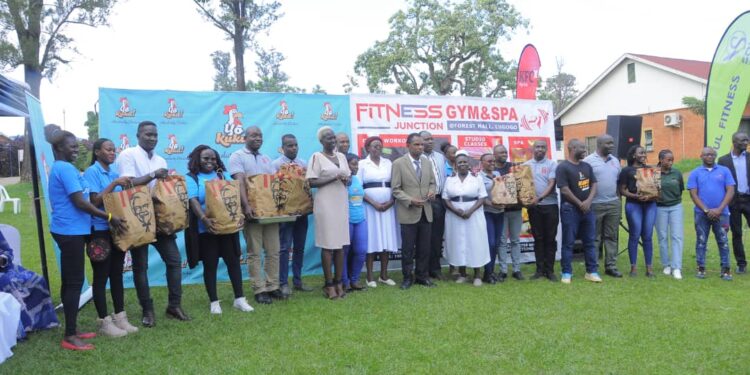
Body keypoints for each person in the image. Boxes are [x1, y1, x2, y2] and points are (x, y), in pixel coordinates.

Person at [47, 125, 126, 350]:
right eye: (72, 147)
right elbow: (81, 202)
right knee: (73, 283)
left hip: (74, 231)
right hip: (69, 231)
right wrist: (109, 216)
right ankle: (70, 336)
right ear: (59, 147)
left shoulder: (67, 167)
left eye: (76, 146)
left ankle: (73, 329)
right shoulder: (65, 168)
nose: (76, 150)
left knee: (71, 282)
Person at [116, 120, 190, 326]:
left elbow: (162, 190)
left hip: (160, 216)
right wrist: (152, 175)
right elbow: (127, 184)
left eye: (156, 135)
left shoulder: (161, 160)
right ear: (138, 135)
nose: (153, 138)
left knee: (174, 260)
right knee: (140, 266)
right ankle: (147, 310)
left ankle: (174, 305)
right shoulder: (128, 154)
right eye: (148, 134)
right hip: (137, 215)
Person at [186, 145, 253, 314]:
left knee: (233, 262)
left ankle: (240, 299)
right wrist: (204, 219)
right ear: (197, 160)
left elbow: (234, 198)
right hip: (207, 230)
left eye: (213, 158)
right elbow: (193, 201)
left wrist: (240, 217)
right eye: (205, 158)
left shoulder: (224, 176)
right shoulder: (192, 178)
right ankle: (214, 302)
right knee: (211, 265)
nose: (210, 162)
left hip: (228, 229)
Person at [83, 138, 139, 337]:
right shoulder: (93, 172)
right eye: (108, 149)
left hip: (115, 230)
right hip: (98, 231)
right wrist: (115, 183)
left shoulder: (115, 173)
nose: (112, 153)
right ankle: (104, 321)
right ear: (97, 152)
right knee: (101, 276)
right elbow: (95, 201)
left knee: (116, 274)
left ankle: (120, 317)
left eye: (114, 150)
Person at [229, 126, 285, 304]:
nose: (257, 138)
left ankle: (273, 286)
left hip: (270, 213)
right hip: (251, 211)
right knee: (254, 253)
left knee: (273, 251)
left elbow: (272, 187)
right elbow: (239, 183)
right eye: (253, 135)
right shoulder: (237, 156)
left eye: (260, 135)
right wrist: (246, 206)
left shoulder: (266, 158)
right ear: (244, 138)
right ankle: (259, 289)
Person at [306, 126, 351, 299]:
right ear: (321, 141)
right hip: (325, 204)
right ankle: (329, 284)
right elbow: (312, 182)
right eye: (328, 138)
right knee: (327, 245)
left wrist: (347, 178)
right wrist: (335, 177)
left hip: (341, 203)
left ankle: (339, 282)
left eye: (333, 138)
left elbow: (347, 176)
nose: (332, 141)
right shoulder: (316, 157)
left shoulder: (341, 156)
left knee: (340, 245)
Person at [391, 133, 437, 289]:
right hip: (409, 212)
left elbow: (432, 183)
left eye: (422, 145)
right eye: (417, 144)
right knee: (408, 249)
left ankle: (422, 276)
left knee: (424, 248)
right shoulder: (398, 163)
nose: (420, 147)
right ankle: (407, 277)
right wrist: (410, 200)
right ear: (408, 145)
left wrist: (432, 191)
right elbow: (396, 189)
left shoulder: (426, 162)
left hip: (426, 211)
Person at [271, 134, 313, 295]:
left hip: (302, 214)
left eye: (295, 145)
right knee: (284, 248)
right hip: (285, 215)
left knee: (300, 248)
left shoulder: (303, 164)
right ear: (282, 148)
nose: (293, 148)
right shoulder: (275, 164)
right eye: (289, 145)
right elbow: (273, 189)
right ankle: (283, 283)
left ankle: (297, 281)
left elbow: (308, 187)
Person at [556, 139, 601, 284]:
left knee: (589, 241)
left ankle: (592, 271)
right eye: (582, 147)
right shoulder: (562, 167)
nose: (585, 150)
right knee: (568, 242)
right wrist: (579, 203)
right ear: (572, 148)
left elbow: (594, 184)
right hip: (570, 209)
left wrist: (587, 202)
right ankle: (567, 272)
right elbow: (564, 189)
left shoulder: (587, 166)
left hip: (587, 209)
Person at [442, 151, 490, 286]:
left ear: (469, 164)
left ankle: (477, 275)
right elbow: (446, 198)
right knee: (458, 243)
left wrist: (470, 211)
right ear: (455, 165)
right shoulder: (450, 179)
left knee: (475, 242)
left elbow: (482, 197)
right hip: (454, 216)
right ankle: (462, 274)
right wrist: (455, 210)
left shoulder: (477, 178)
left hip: (474, 215)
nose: (462, 164)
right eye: (459, 163)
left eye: (464, 162)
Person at [0, 230, 58, 340]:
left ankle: (40, 322)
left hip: (5, 268)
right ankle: (21, 328)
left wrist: (3, 259)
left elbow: (8, 251)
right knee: (7, 283)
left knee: (37, 279)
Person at [688, 147, 735, 280]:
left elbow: (730, 191)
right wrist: (707, 210)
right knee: (701, 241)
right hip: (701, 214)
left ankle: (726, 269)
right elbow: (693, 194)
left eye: (712, 154)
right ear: (701, 156)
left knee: (723, 241)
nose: (710, 156)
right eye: (707, 154)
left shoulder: (724, 171)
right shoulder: (695, 172)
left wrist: (719, 209)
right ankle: (701, 268)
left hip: (722, 213)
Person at [358, 136, 399, 287]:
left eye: (380, 146)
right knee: (371, 240)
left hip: (388, 208)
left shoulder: (388, 163)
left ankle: (384, 275)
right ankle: (369, 276)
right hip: (370, 208)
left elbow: (396, 185)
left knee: (386, 240)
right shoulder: (362, 164)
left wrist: (391, 201)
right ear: (367, 148)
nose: (378, 149)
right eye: (374, 146)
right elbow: (358, 188)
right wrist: (374, 203)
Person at [582, 134, 623, 278]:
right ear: (599, 144)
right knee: (594, 238)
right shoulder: (588, 161)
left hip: (613, 203)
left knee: (612, 236)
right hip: (595, 204)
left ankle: (611, 266)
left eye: (612, 143)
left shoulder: (615, 161)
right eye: (608, 143)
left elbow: (618, 183)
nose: (612, 146)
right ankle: (593, 267)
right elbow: (583, 184)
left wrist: (619, 203)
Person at [618, 145, 658, 277]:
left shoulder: (651, 169)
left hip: (650, 205)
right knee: (634, 235)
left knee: (647, 236)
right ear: (633, 155)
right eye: (641, 153)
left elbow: (658, 190)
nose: (643, 155)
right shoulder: (626, 170)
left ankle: (649, 268)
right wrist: (635, 196)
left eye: (644, 153)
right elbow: (622, 190)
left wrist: (651, 195)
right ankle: (633, 267)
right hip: (634, 204)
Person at [523, 140, 559, 281]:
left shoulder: (552, 164)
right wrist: (525, 201)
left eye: (543, 147)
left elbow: (551, 184)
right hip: (534, 208)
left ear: (546, 149)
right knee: (538, 238)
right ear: (533, 149)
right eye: (537, 147)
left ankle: (550, 271)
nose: (540, 149)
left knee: (550, 238)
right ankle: (539, 270)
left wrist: (539, 198)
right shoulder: (526, 166)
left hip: (550, 206)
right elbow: (523, 187)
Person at [718, 132, 750, 274]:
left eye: (747, 140)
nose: (746, 142)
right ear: (734, 142)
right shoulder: (723, 160)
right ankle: (741, 264)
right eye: (743, 140)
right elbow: (721, 182)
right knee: (736, 233)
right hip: (733, 202)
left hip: (748, 199)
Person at [420, 131, 447, 280]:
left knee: (436, 237)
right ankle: (422, 270)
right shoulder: (417, 158)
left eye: (431, 139)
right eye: (426, 139)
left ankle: (435, 269)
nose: (430, 142)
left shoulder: (440, 157)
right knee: (424, 238)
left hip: (438, 200)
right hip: (422, 201)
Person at [494, 144, 524, 281]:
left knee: (515, 240)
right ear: (494, 155)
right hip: (500, 211)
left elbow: (523, 185)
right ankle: (503, 270)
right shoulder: (492, 169)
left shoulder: (515, 167)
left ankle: (517, 269)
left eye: (505, 152)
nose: (504, 154)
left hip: (516, 210)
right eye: (501, 152)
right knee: (501, 241)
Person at [655, 149, 684, 280]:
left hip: (676, 206)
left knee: (677, 237)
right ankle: (666, 264)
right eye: (668, 160)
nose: (671, 162)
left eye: (672, 159)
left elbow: (681, 189)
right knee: (662, 237)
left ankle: (676, 267)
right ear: (661, 160)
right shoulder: (654, 173)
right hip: (659, 208)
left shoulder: (677, 173)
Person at [342, 154, 368, 291]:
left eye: (357, 164)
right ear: (345, 165)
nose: (356, 167)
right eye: (353, 164)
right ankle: (344, 281)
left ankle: (355, 280)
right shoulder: (342, 181)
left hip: (360, 220)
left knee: (361, 251)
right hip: (347, 220)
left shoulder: (357, 179)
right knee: (344, 252)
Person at [478, 153, 504, 284]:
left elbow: (503, 192)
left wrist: (505, 202)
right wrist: (492, 204)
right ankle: (487, 273)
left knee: (496, 244)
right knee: (490, 243)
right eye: (489, 161)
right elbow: (480, 196)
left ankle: (491, 273)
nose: (492, 163)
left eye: (493, 161)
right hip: (487, 212)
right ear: (482, 162)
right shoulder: (478, 177)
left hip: (500, 213)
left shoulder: (498, 174)